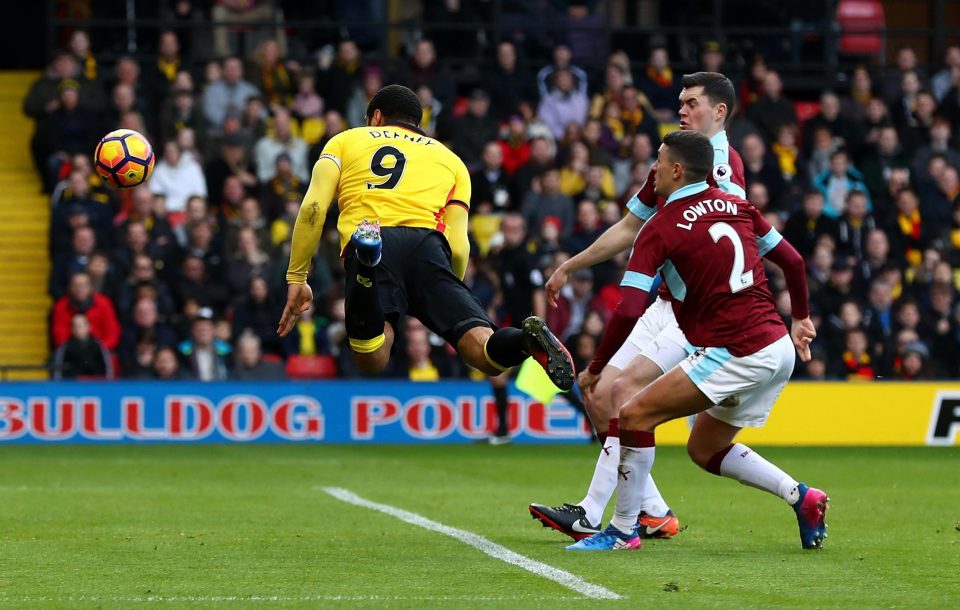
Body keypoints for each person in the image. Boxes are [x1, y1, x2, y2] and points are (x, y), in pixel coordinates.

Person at [527, 72, 770, 543]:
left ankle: (595, 512)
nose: (682, 109)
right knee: (596, 392)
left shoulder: (720, 164)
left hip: (696, 308)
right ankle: (652, 510)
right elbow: (628, 227)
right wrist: (570, 266)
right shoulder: (673, 159)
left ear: (720, 112)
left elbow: (735, 233)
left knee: (618, 393)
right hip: (665, 301)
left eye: (692, 103)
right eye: (680, 101)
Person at [567, 130, 826, 551]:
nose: (652, 168)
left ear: (675, 169)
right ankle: (802, 497)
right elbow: (794, 261)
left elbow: (629, 308)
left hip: (737, 350)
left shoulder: (661, 225)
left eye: (658, 159)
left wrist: (596, 368)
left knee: (632, 413)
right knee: (705, 448)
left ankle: (622, 530)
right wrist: (801, 318)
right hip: (778, 347)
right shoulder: (740, 206)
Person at [277, 85, 575, 390]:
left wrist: (297, 276)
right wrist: (446, 298)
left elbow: (313, 207)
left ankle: (367, 266)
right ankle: (525, 341)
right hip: (429, 248)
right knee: (484, 354)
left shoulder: (344, 140)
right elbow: (459, 244)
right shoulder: (451, 161)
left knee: (372, 358)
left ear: (376, 117)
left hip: (373, 238)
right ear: (418, 123)